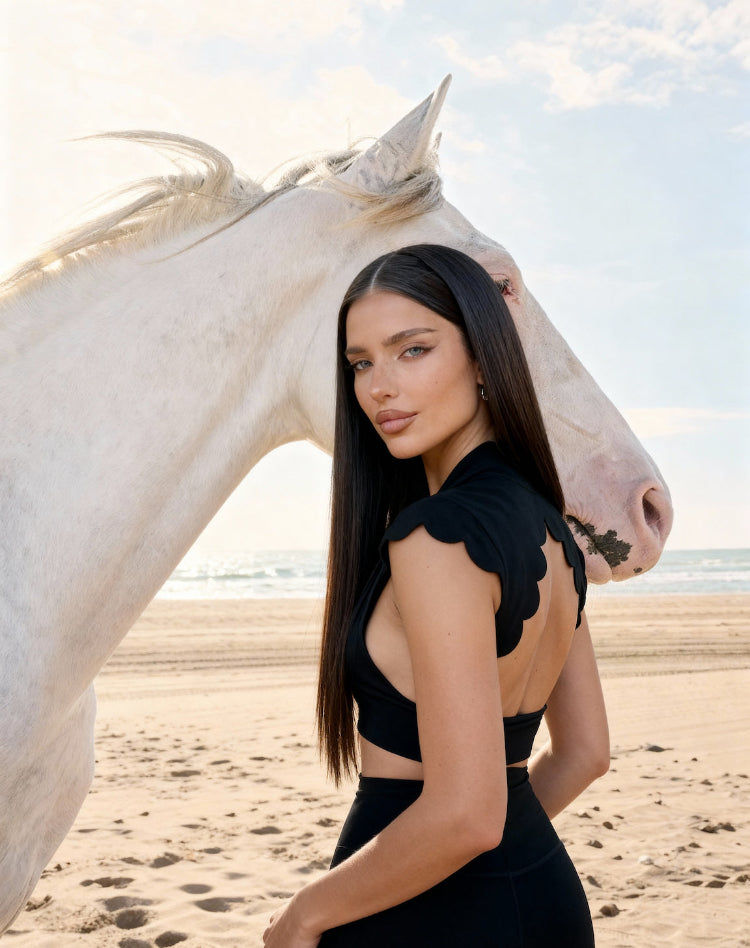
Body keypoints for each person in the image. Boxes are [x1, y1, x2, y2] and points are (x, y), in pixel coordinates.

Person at [263, 244, 610, 947]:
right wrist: (496, 859)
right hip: (544, 896)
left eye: (412, 350)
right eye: (361, 363)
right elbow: (585, 754)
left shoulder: (435, 538)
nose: (379, 387)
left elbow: (467, 815)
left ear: (483, 358)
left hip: (420, 918)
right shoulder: (553, 529)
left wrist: (302, 915)